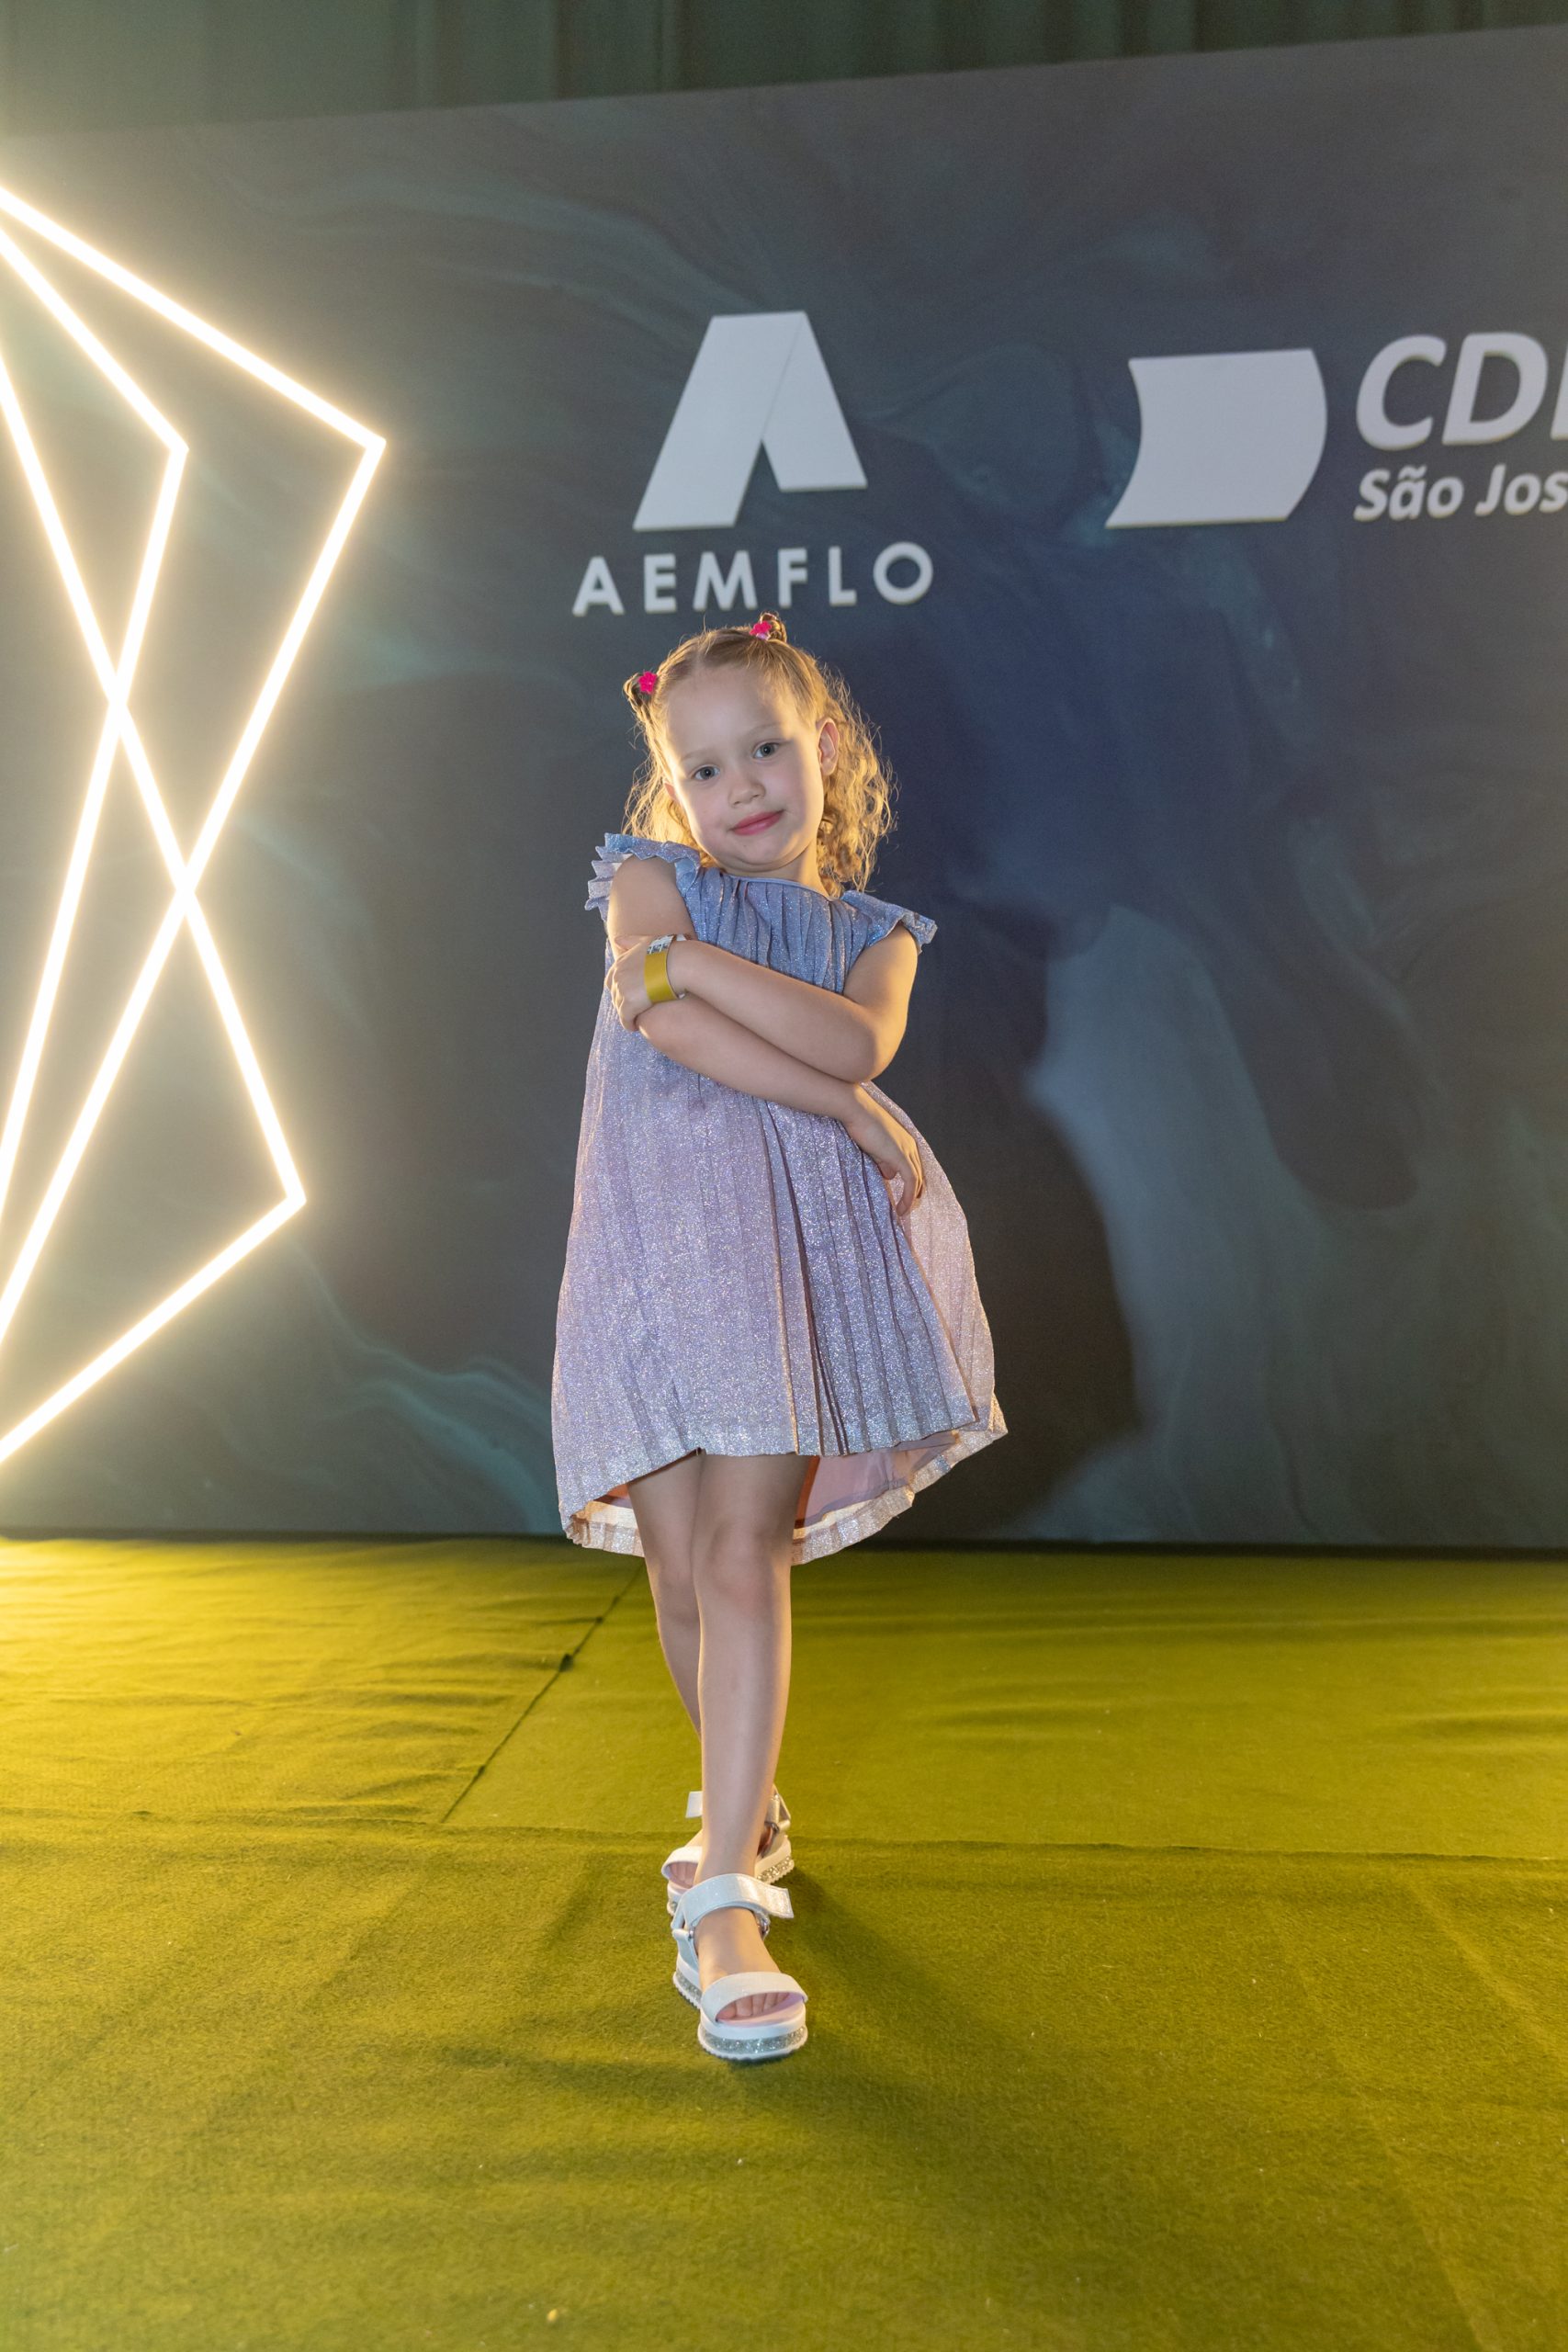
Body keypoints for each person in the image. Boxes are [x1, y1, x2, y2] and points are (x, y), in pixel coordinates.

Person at [551, 610, 1006, 2063]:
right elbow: (661, 1017)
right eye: (703, 770)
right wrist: (834, 1094)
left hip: (775, 1270)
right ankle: (742, 1806)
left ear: (827, 750)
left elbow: (853, 1037)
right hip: (646, 1258)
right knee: (680, 1566)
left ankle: (726, 1901)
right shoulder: (644, 879)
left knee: (744, 1550)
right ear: (669, 791)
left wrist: (707, 981)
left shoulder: (877, 937)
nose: (739, 785)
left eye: (765, 749)